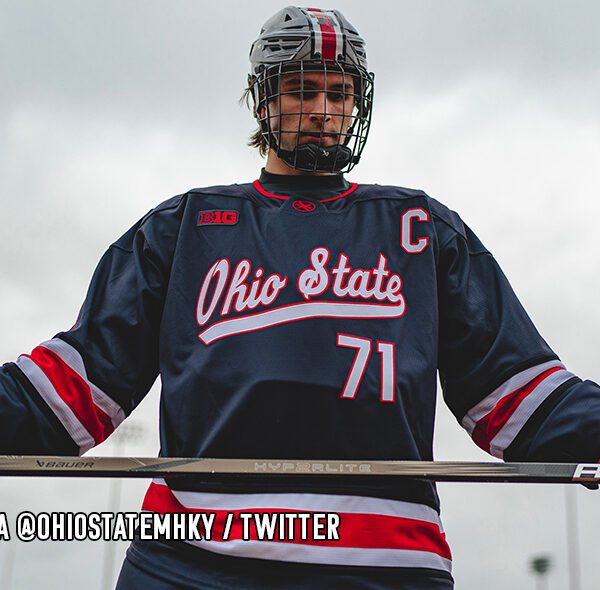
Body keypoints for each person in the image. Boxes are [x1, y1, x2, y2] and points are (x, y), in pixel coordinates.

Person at [0, 6, 598, 589]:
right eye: (302, 90)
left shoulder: (421, 228)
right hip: (193, 559)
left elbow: (517, 392)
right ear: (263, 99)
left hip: (383, 560)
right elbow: (73, 391)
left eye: (338, 94)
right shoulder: (184, 227)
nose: (322, 111)